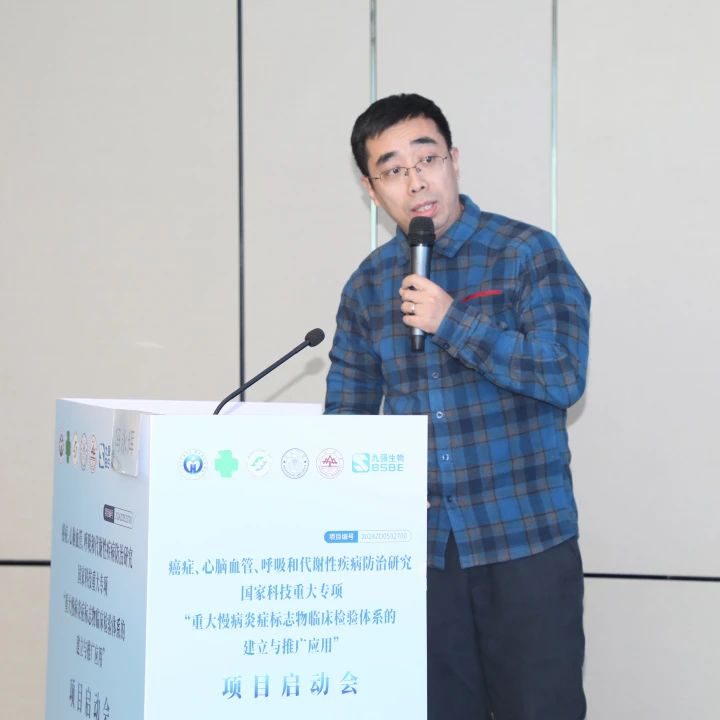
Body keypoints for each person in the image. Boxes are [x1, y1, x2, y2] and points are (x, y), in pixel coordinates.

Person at [324, 93, 590, 720]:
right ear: (371, 190)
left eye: (427, 159)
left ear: (454, 160)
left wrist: (451, 322)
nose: (415, 181)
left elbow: (563, 373)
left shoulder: (526, 252)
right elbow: (347, 424)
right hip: (422, 558)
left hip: (525, 543)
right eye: (393, 170)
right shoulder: (367, 286)